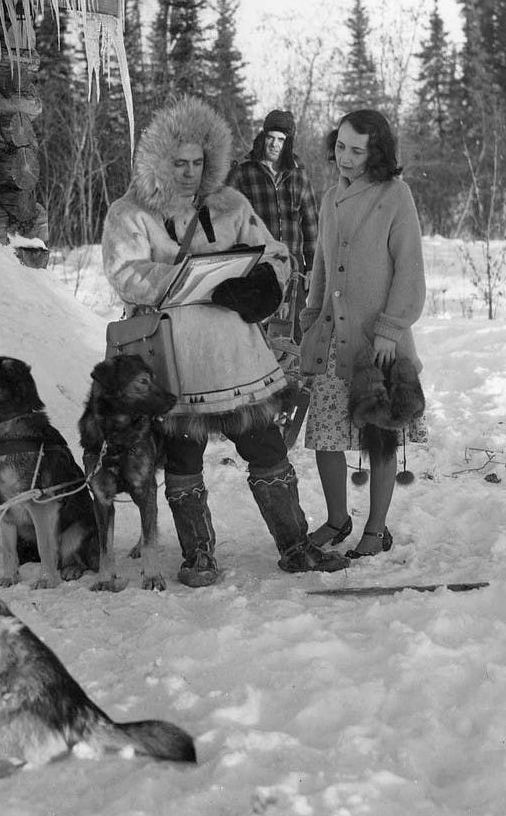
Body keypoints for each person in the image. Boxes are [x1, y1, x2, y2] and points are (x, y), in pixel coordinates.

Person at [100, 95, 348, 587]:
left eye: (198, 163)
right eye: (179, 163)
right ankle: (198, 557)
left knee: (266, 445)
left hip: (237, 356)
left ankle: (296, 546)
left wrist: (262, 285)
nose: (190, 173)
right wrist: (191, 279)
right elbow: (125, 273)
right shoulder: (129, 212)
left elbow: (275, 253)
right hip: (174, 358)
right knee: (184, 457)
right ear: (158, 160)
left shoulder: (231, 204)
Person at [299, 109, 427, 559]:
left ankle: (377, 528)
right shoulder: (331, 195)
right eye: (340, 147)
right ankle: (337, 519)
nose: (345, 158)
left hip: (379, 342)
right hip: (334, 336)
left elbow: (410, 267)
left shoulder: (396, 195)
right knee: (327, 434)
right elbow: (320, 260)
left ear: (377, 152)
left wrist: (392, 327)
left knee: (380, 436)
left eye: (357, 150)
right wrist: (312, 315)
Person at [227, 109, 319, 341]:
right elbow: (226, 220)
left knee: (294, 330)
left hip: (294, 266)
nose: (275, 145)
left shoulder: (298, 174)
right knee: (258, 331)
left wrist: (312, 266)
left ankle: (294, 376)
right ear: (263, 136)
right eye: (271, 137)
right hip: (258, 263)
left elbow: (310, 223)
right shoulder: (243, 171)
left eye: (281, 140)